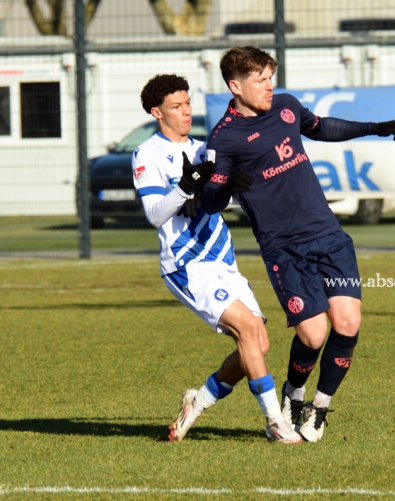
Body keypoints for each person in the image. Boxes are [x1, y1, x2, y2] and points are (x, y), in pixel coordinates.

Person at [202, 46, 395, 442]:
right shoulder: (224, 137)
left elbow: (321, 127)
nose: (269, 86)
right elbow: (211, 200)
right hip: (284, 248)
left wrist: (376, 127)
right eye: (260, 80)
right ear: (235, 86)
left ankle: (320, 408)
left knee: (348, 323)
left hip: (328, 235)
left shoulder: (286, 106)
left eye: (270, 77)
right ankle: (293, 393)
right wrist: (224, 186)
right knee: (312, 335)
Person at [133, 74, 301, 444]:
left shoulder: (205, 149)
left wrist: (235, 188)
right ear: (157, 112)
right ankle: (275, 422)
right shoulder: (147, 155)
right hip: (187, 265)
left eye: (188, 103)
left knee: (257, 345)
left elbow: (220, 199)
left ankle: (197, 402)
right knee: (247, 331)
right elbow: (155, 214)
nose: (186, 112)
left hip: (223, 259)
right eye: (176, 106)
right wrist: (185, 187)